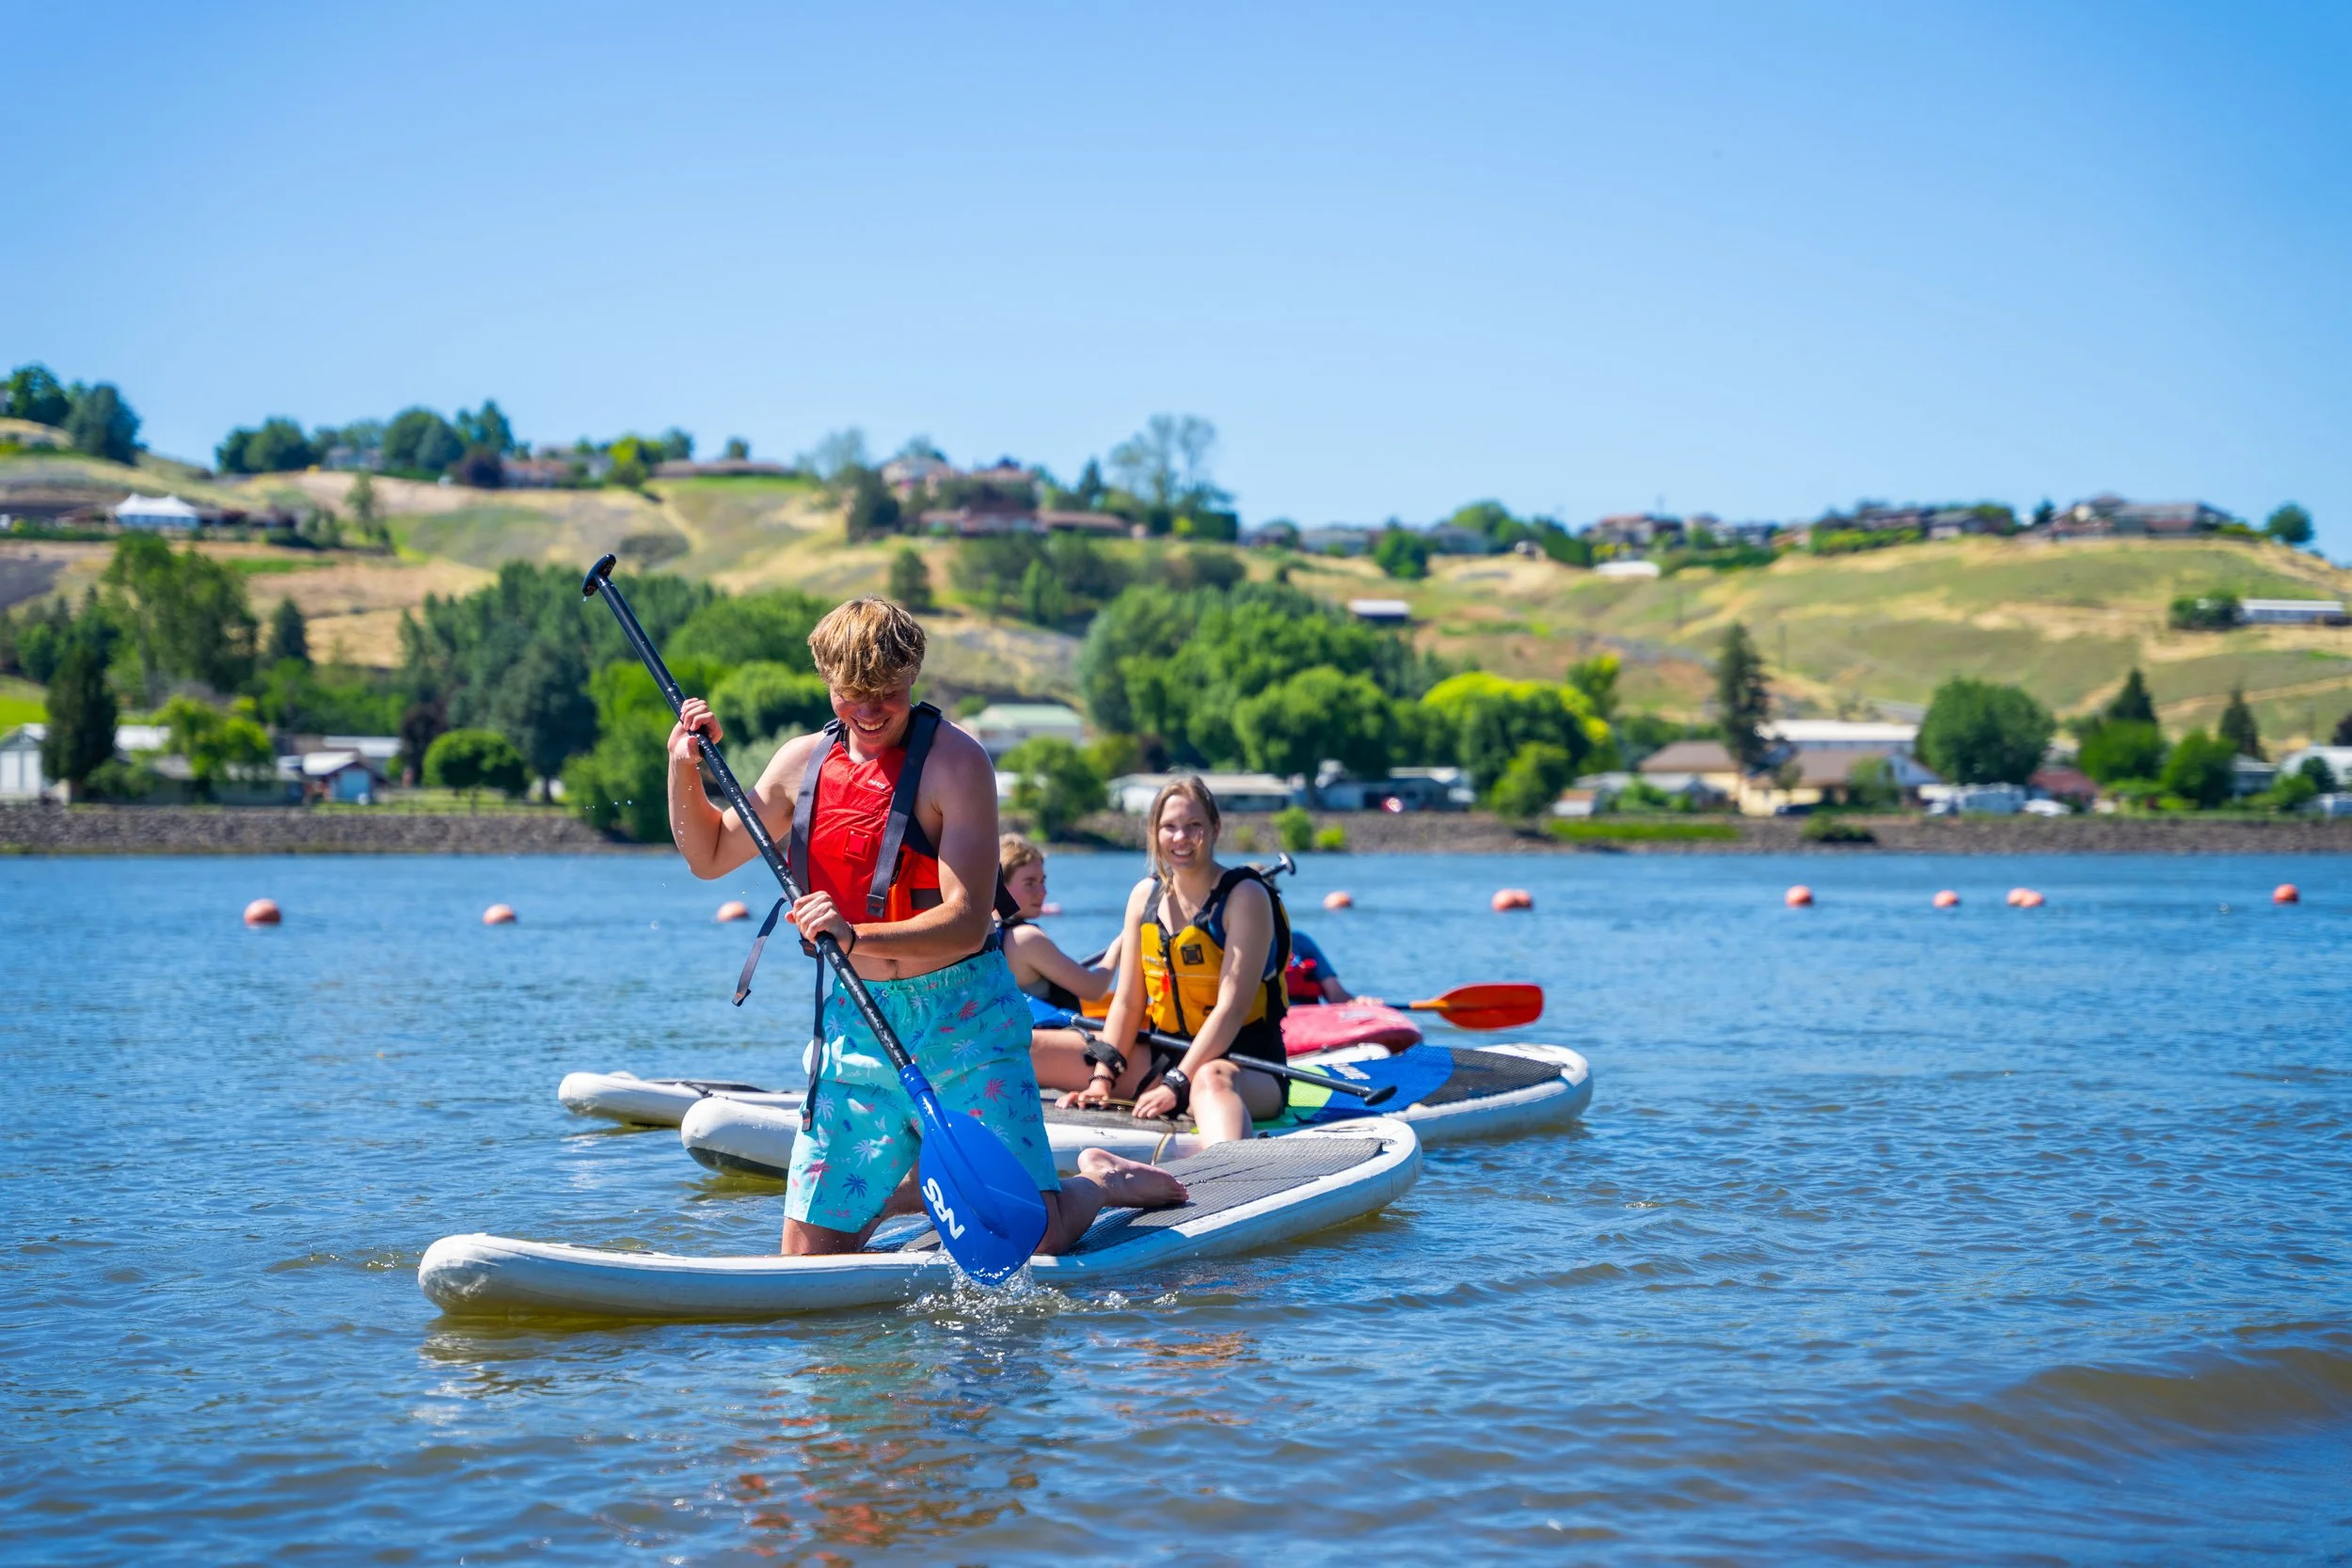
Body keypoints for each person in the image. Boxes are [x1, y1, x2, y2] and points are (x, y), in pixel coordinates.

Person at [664, 596, 1184, 1256]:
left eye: (888, 691)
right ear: (828, 681)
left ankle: (1100, 1182)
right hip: (857, 1021)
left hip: (964, 1020)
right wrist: (684, 765)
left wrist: (854, 936)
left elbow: (968, 923)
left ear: (913, 677)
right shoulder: (801, 765)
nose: (870, 709)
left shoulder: (957, 763)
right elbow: (706, 853)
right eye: (853, 693)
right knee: (810, 1256)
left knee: (1034, 1238)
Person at [1057, 776, 1293, 1145]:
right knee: (1038, 1048)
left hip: (1244, 1062)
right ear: (1154, 832)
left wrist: (1176, 1083)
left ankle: (1227, 1176)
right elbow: (1129, 1001)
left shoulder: (1245, 896)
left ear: (1215, 829)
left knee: (1208, 1081)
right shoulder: (1143, 897)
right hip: (1164, 1053)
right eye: (1169, 827)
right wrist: (1102, 1077)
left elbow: (1232, 1009)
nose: (1180, 838)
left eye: (1193, 826)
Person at [997, 833, 1117, 1010]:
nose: (1042, 892)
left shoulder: (987, 931)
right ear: (999, 885)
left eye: (1042, 881)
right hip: (1040, 1034)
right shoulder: (1026, 938)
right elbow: (1095, 989)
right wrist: (1119, 947)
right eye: (1029, 883)